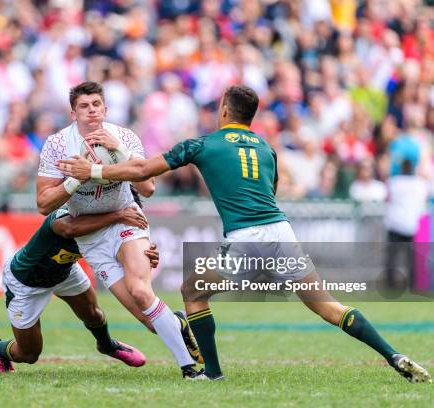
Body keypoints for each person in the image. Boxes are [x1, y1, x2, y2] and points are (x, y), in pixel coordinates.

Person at [58, 85, 432, 383]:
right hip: (281, 230)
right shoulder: (267, 148)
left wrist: (91, 173)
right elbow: (270, 188)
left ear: (224, 110)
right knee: (329, 306)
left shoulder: (202, 144)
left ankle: (212, 374)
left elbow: (142, 171)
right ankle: (393, 355)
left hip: (246, 237)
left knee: (192, 291)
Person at [36, 81, 204, 379]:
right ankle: (176, 324)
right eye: (84, 107)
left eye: (96, 105)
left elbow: (148, 187)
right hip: (91, 236)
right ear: (73, 114)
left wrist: (121, 152)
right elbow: (43, 204)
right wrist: (75, 180)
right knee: (149, 319)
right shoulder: (58, 145)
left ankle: (190, 370)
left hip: (128, 220)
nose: (91, 111)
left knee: (141, 291)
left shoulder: (124, 136)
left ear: (105, 108)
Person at [0, 205, 157, 372]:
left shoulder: (107, 227)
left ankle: (107, 346)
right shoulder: (61, 217)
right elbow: (69, 229)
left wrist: (145, 256)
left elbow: (124, 253)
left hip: (65, 271)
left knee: (94, 314)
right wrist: (118, 215)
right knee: (29, 354)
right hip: (26, 280)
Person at [384, 159, 430, 289]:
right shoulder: (420, 183)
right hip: (412, 225)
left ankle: (390, 285)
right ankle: (413, 285)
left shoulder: (393, 182)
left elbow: (387, 197)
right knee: (412, 260)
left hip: (395, 223)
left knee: (392, 259)